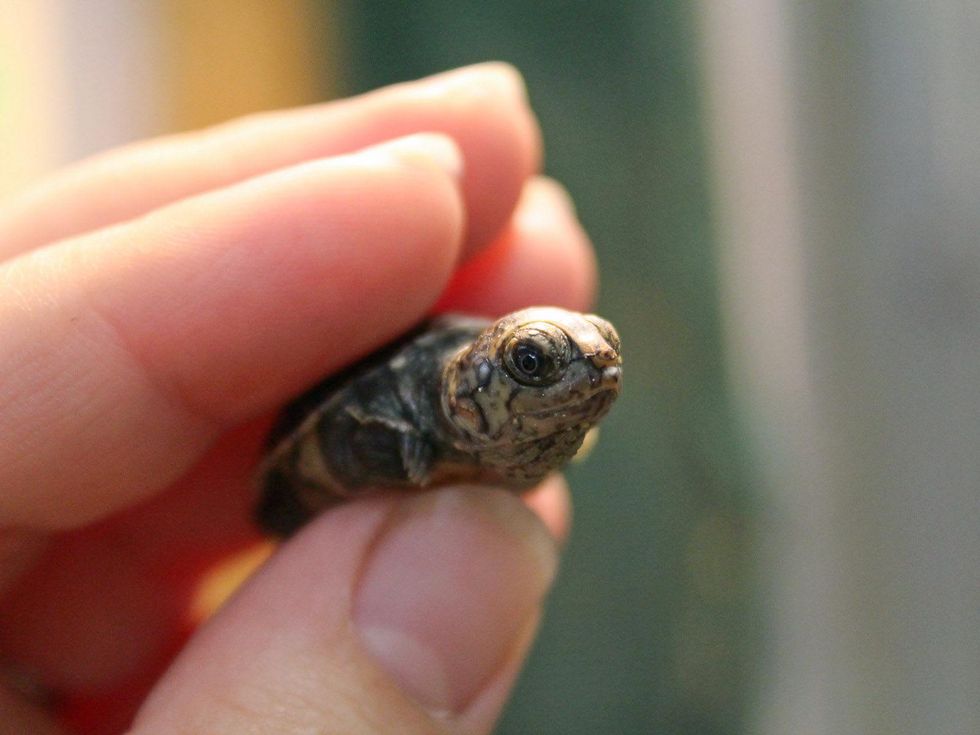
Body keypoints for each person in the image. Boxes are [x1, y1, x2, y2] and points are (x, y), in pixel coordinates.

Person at [0, 63, 597, 734]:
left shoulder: (532, 432)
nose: (583, 376)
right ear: (476, 369)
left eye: (602, 368)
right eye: (531, 361)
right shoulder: (409, 395)